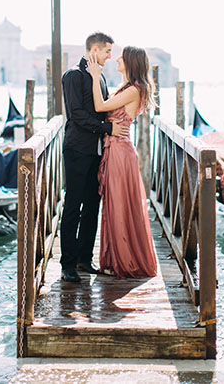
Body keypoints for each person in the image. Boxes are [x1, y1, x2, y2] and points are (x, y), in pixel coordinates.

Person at [60, 32, 129, 283]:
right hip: (77, 149)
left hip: (97, 151)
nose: (110, 56)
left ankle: (83, 258)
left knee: (92, 206)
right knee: (73, 206)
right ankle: (67, 264)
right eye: (108, 51)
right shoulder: (73, 76)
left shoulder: (99, 78)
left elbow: (104, 108)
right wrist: (108, 129)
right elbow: (76, 114)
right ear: (94, 50)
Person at [87, 46, 157, 279]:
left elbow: (99, 107)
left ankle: (125, 260)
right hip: (116, 150)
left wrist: (96, 77)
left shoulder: (133, 90)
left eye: (121, 56)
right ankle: (114, 258)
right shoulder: (126, 88)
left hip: (120, 152)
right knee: (114, 204)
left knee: (119, 205)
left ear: (130, 62)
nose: (116, 58)